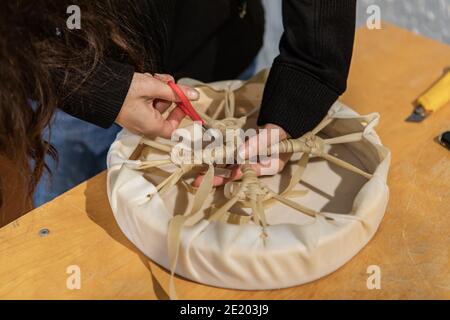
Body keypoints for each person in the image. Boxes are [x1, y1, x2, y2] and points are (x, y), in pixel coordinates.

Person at [0, 0, 356, 223]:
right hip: (65, 85)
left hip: (222, 57)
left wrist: (306, 76)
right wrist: (96, 86)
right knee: (70, 240)